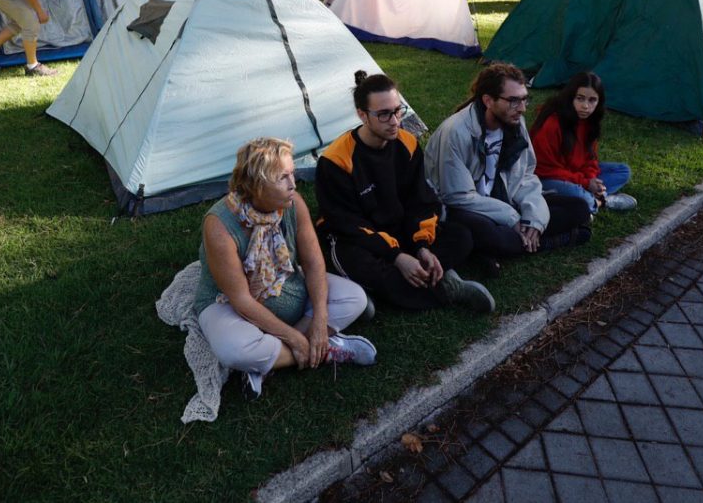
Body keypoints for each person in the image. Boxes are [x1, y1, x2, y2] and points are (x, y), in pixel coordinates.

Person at [194, 137, 376, 395]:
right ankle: (324, 350)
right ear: (256, 185)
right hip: (226, 303)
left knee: (355, 298)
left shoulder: (292, 203)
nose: (293, 184)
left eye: (292, 174)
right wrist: (296, 339)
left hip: (286, 283)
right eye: (283, 178)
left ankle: (269, 362)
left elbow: (313, 263)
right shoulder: (219, 225)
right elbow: (241, 300)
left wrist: (321, 317)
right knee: (233, 350)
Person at [314, 72, 495, 313]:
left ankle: (396, 286)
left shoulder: (407, 143)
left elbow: (420, 201)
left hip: (399, 230)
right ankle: (447, 287)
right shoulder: (335, 161)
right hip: (358, 238)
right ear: (362, 115)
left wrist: (421, 247)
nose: (395, 121)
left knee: (461, 236)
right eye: (384, 114)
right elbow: (347, 224)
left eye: (398, 110)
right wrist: (397, 257)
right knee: (359, 262)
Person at [425, 63, 593, 266]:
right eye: (513, 101)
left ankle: (504, 248)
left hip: (505, 198)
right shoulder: (456, 133)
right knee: (493, 236)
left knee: (579, 207)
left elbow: (526, 175)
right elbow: (457, 196)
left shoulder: (515, 122)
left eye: (524, 99)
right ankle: (548, 241)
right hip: (464, 207)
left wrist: (534, 218)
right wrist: (512, 217)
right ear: (488, 100)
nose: (521, 108)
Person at [531, 72, 636, 213]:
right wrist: (586, 182)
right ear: (570, 97)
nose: (585, 106)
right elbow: (545, 169)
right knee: (579, 197)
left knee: (622, 171)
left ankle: (591, 196)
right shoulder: (552, 123)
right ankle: (600, 201)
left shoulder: (590, 122)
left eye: (592, 100)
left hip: (575, 174)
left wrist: (591, 178)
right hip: (547, 178)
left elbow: (591, 159)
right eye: (580, 99)